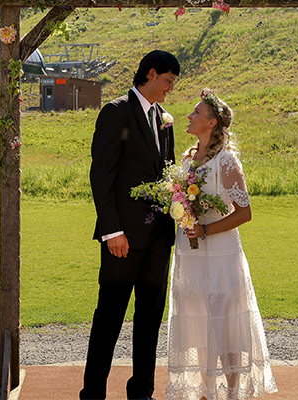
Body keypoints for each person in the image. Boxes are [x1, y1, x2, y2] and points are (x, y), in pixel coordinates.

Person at [165, 89, 277, 400]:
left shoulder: (226, 161)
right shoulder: (188, 158)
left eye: (196, 113)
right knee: (199, 324)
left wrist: (205, 229)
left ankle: (230, 394)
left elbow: (245, 213)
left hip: (220, 254)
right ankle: (204, 391)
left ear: (212, 122)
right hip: (190, 254)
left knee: (224, 327)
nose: (189, 116)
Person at [81, 50, 180, 400]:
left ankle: (142, 393)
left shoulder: (164, 119)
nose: (170, 89)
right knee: (109, 317)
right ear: (151, 74)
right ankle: (92, 394)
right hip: (121, 237)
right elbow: (101, 175)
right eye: (168, 81)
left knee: (150, 318)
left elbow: (168, 175)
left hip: (159, 237)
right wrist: (112, 231)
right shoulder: (116, 112)